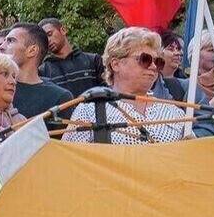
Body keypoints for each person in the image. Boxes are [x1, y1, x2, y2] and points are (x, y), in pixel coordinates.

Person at [63, 27, 192, 144]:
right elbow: (71, 161)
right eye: (145, 59)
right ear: (116, 64)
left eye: (158, 62)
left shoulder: (175, 113)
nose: (153, 67)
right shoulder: (89, 111)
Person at [39, 17, 104, 95]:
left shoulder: (93, 60)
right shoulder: (43, 72)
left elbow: (108, 93)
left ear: (63, 30)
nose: (48, 40)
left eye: (50, 34)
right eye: (43, 39)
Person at [154, 32, 188, 100]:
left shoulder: (187, 84)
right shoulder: (149, 80)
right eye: (171, 49)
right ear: (159, 52)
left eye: (179, 49)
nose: (178, 53)